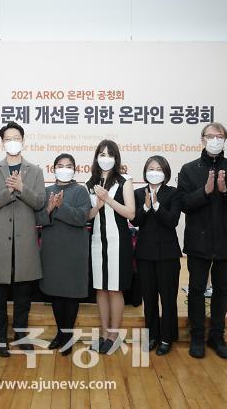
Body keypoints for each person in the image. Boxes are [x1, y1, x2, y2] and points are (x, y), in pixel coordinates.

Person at [178, 122, 227, 359]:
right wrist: (205, 191)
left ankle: (217, 337)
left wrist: (225, 190)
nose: (215, 140)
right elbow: (184, 204)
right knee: (197, 289)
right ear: (202, 140)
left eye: (219, 136)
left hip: (226, 240)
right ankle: (197, 337)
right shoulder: (189, 169)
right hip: (198, 241)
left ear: (225, 140)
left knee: (222, 289)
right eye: (210, 136)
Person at [0, 122, 45, 357]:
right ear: (2, 142)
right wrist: (8, 191)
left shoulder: (35, 171)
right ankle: (0, 339)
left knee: (23, 295)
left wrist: (21, 187)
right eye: (8, 138)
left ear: (23, 140)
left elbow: (39, 202)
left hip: (24, 242)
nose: (12, 142)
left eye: (16, 138)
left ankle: (21, 335)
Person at [35, 153, 91, 356]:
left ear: (74, 170)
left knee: (71, 294)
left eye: (68, 166)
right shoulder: (46, 191)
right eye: (60, 165)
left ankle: (67, 337)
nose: (64, 169)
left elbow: (81, 217)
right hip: (52, 250)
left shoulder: (80, 191)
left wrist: (60, 207)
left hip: (74, 250)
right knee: (55, 293)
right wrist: (49, 208)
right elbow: (38, 219)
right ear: (53, 169)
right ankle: (60, 333)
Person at [86, 140, 135, 354]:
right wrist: (97, 206)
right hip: (97, 240)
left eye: (110, 154)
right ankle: (104, 333)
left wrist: (108, 199)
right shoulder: (89, 183)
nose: (105, 158)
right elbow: (87, 216)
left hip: (118, 241)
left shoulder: (125, 181)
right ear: (96, 157)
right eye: (102, 154)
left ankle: (114, 335)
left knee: (114, 289)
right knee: (100, 289)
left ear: (116, 158)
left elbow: (131, 213)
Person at [130, 155, 182, 356]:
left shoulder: (173, 193)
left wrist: (157, 204)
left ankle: (167, 338)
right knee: (149, 298)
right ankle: (152, 336)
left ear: (166, 173)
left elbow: (172, 221)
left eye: (159, 169)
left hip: (168, 255)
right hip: (145, 254)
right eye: (151, 169)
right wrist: (145, 207)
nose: (154, 172)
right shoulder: (137, 193)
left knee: (168, 298)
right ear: (145, 172)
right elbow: (135, 221)